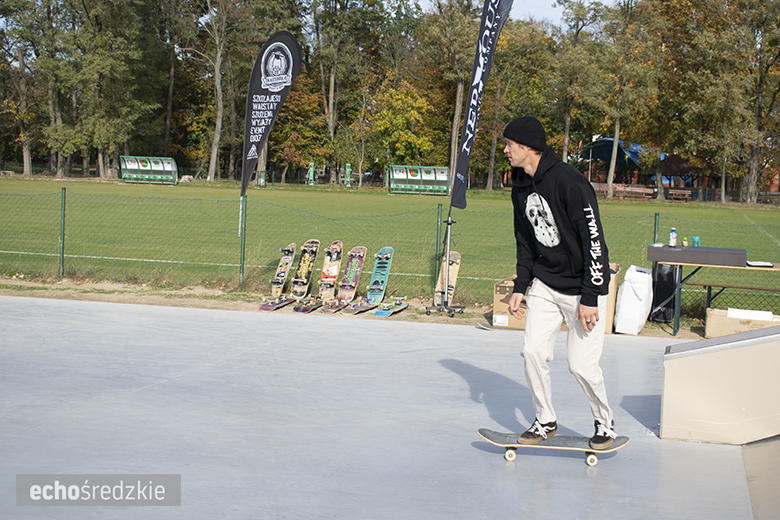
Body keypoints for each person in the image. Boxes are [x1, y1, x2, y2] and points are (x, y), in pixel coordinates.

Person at [503, 116, 616, 450]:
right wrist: (521, 287)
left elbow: (594, 241)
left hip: (583, 290)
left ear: (526, 146)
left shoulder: (571, 183)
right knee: (532, 352)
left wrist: (591, 296)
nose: (506, 150)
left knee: (581, 365)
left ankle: (604, 423)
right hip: (547, 286)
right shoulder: (520, 185)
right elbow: (524, 239)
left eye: (510, 144)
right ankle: (545, 420)